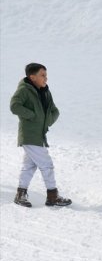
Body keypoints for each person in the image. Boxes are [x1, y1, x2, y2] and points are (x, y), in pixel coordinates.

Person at [10, 63, 72, 207]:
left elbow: (55, 110)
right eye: (42, 75)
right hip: (30, 134)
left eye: (46, 75)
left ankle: (20, 195)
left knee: (29, 166)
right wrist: (33, 116)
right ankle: (52, 196)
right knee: (46, 164)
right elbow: (14, 105)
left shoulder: (45, 91)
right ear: (32, 77)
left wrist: (46, 120)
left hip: (39, 135)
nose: (46, 78)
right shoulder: (24, 90)